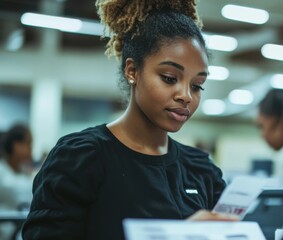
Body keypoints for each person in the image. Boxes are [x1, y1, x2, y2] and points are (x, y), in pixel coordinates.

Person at [22, 1, 237, 239]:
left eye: (197, 86)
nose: (186, 96)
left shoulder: (201, 169)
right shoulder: (81, 158)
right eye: (169, 78)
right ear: (132, 71)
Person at [0, 124, 34, 240]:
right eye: (28, 143)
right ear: (15, 145)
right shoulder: (2, 172)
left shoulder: (27, 175)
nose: (30, 149)